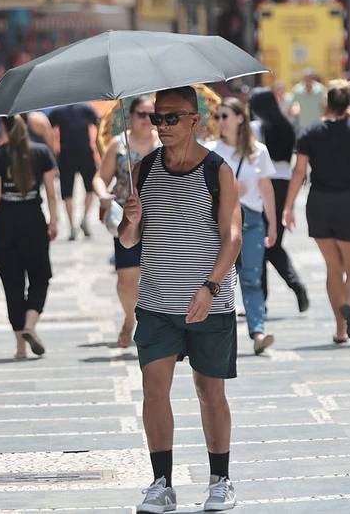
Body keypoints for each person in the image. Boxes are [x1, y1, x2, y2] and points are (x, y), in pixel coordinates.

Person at [119, 86, 240, 512]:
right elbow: (128, 240)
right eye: (157, 118)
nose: (162, 125)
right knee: (154, 391)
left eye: (172, 117)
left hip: (209, 304)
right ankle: (162, 484)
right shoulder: (143, 169)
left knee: (210, 393)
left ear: (194, 120)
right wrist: (130, 221)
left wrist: (210, 287)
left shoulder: (218, 171)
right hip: (156, 304)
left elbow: (232, 238)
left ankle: (220, 480)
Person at [283, 80, 350, 344]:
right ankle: (348, 308)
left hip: (319, 204)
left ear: (326, 102)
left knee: (333, 267)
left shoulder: (310, 131)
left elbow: (299, 171)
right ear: (348, 104)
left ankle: (341, 330)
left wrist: (288, 206)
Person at [0, 116, 57, 359]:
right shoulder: (41, 152)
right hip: (33, 221)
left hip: (4, 224)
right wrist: (54, 221)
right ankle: (30, 325)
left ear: (3, 126)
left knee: (12, 285)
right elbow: (51, 193)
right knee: (40, 277)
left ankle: (20, 347)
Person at [206, 97, 278, 355]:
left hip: (253, 221)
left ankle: (258, 332)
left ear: (240, 118)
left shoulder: (258, 151)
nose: (221, 122)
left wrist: (273, 225)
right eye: (217, 117)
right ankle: (212, 334)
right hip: (220, 222)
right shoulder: (209, 150)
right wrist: (229, 190)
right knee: (218, 279)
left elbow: (266, 190)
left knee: (251, 278)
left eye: (225, 116)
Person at [93, 96, 159, 348]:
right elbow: (100, 177)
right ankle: (131, 318)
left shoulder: (164, 143)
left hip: (159, 218)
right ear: (130, 116)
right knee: (126, 278)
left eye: (152, 115)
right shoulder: (118, 144)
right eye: (142, 114)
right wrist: (103, 196)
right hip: (127, 218)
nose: (147, 120)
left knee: (156, 275)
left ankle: (152, 322)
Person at [248, 87, 309, 314]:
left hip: (264, 185)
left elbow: (250, 157)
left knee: (261, 243)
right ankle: (291, 287)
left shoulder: (255, 128)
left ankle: (263, 299)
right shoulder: (286, 125)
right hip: (284, 183)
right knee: (272, 244)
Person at [48, 103, 100, 240]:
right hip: (83, 152)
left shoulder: (58, 110)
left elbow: (48, 128)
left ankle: (73, 225)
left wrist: (52, 150)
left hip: (67, 154)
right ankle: (83, 219)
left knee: (68, 192)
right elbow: (99, 124)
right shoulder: (86, 108)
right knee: (89, 188)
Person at [292, 68, 326, 133]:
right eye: (306, 78)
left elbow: (325, 106)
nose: (307, 80)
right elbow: (293, 105)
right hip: (303, 126)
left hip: (317, 125)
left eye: (309, 78)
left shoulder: (320, 90)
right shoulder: (297, 90)